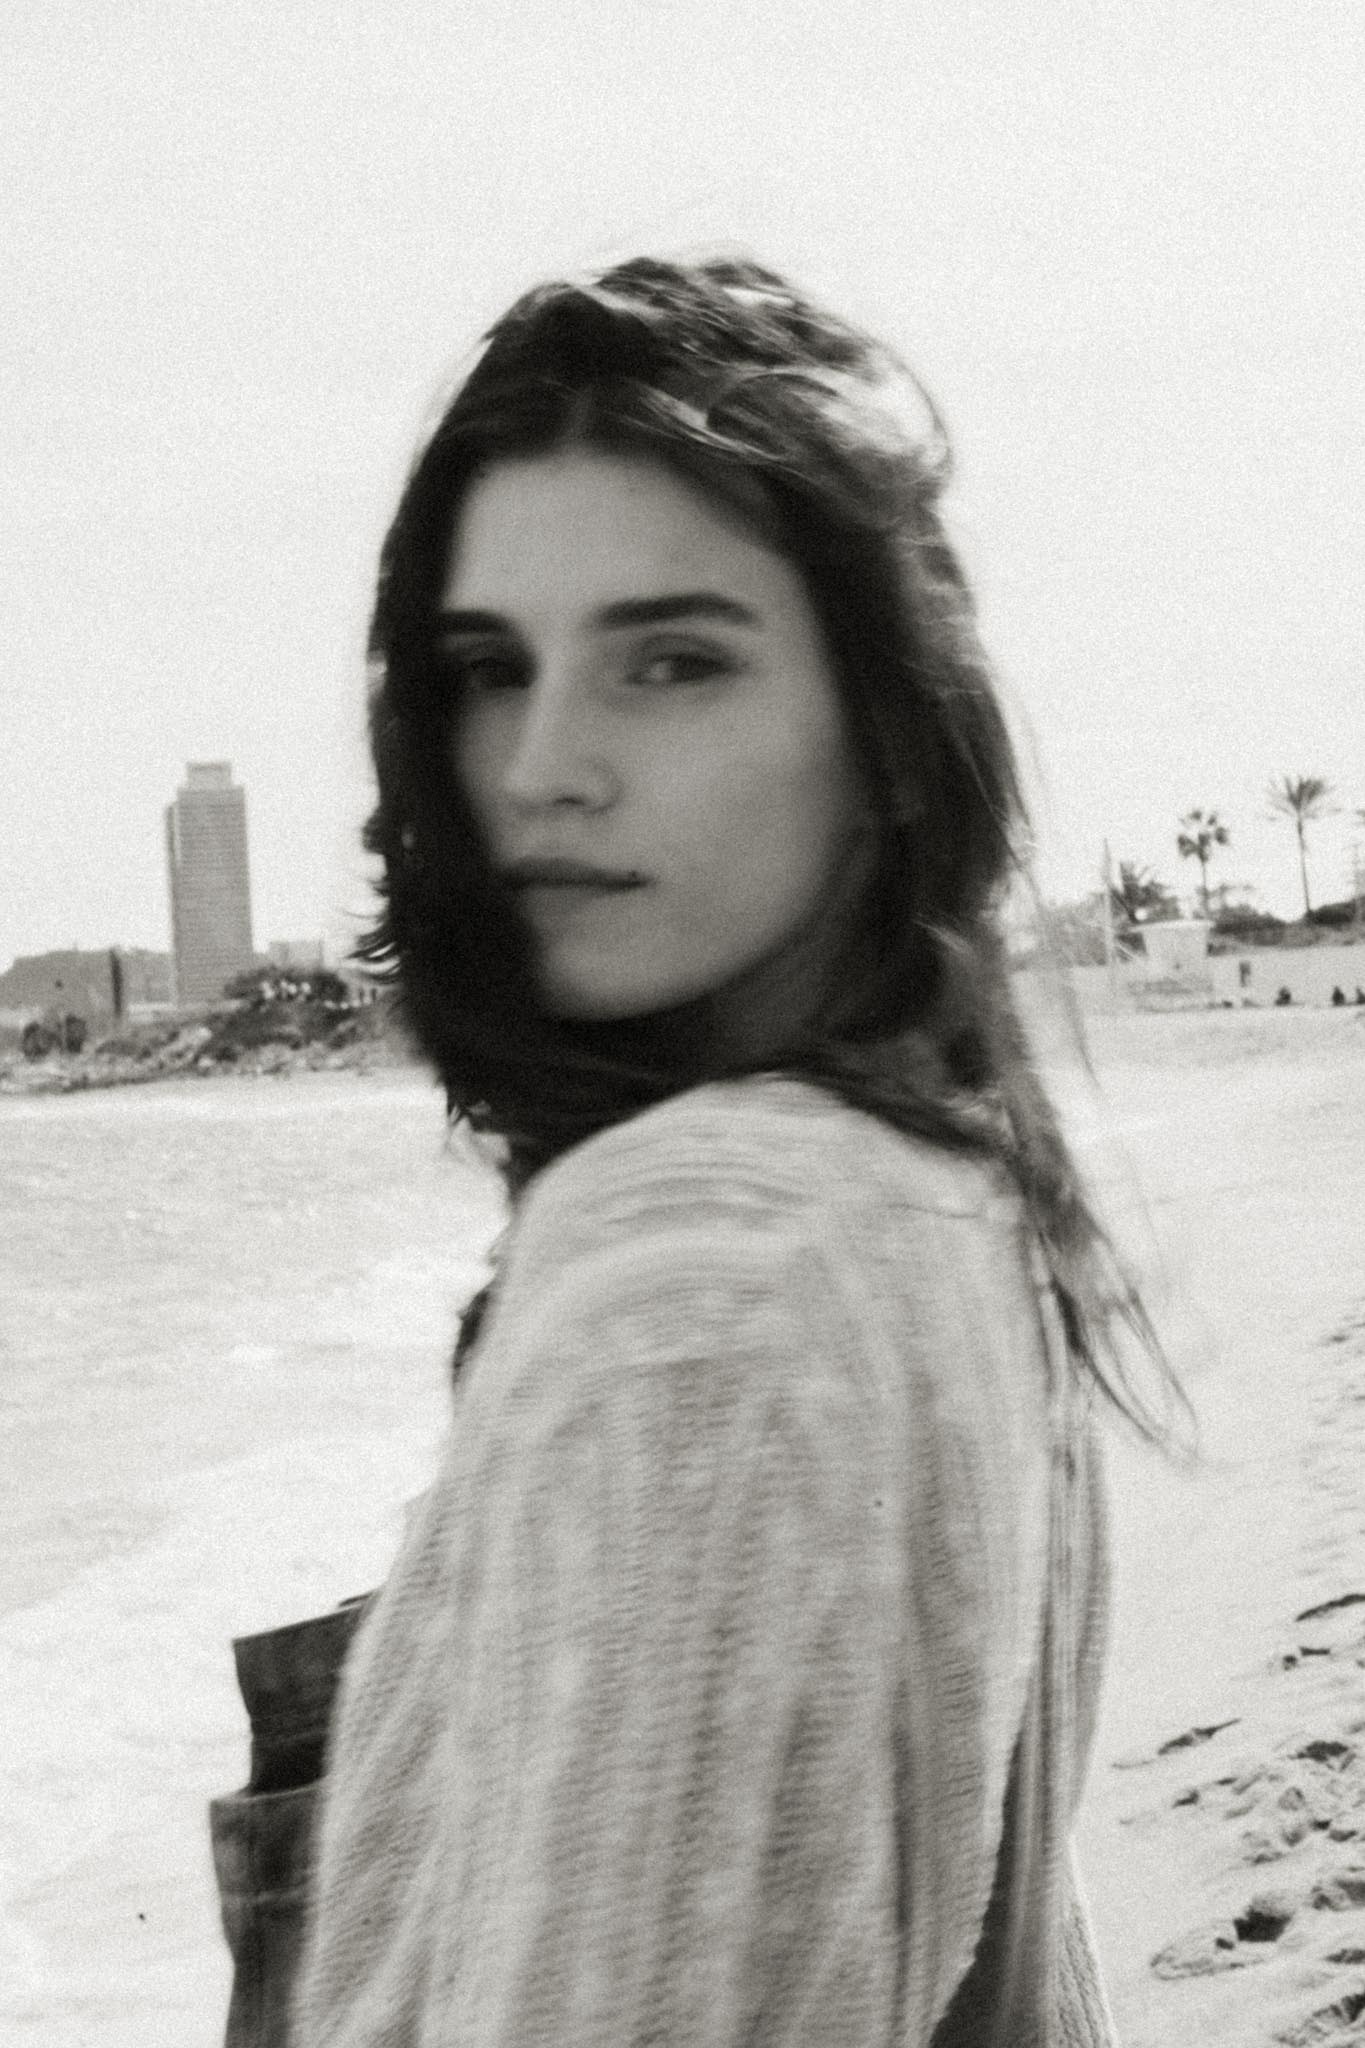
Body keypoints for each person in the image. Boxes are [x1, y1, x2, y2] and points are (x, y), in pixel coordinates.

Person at [278, 255, 1180, 2047]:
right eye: (487, 669)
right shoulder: (945, 1187)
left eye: (672, 662)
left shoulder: (702, 1275)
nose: (541, 766)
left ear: (886, 730)